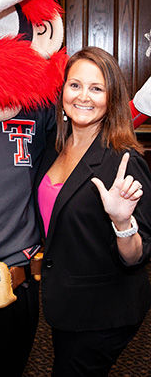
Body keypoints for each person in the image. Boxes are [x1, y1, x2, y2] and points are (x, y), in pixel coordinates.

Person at [35, 46, 151, 376]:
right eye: (75, 85)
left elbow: (137, 256)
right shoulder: (55, 147)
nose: (84, 96)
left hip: (104, 312)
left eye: (96, 88)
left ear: (111, 98)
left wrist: (122, 221)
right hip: (65, 300)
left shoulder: (123, 159)